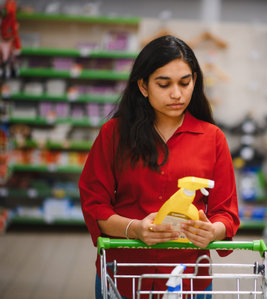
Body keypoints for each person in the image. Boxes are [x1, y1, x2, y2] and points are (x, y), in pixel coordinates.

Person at [79, 35, 240, 299]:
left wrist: (212, 231)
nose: (176, 94)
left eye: (185, 83)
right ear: (143, 86)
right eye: (164, 84)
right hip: (124, 275)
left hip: (189, 277)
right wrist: (134, 229)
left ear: (195, 82)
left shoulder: (212, 138)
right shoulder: (114, 134)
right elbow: (95, 204)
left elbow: (226, 212)